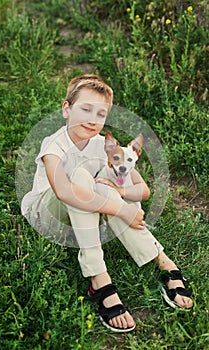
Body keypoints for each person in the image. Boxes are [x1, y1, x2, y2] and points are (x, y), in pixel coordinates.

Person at [21, 74, 193, 333]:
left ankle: (164, 261)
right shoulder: (54, 144)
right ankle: (99, 277)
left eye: (101, 114)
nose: (93, 119)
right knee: (80, 176)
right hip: (46, 215)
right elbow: (65, 192)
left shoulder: (105, 146)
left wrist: (120, 192)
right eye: (85, 109)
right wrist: (121, 208)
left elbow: (143, 190)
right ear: (66, 109)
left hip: (85, 213)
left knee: (106, 184)